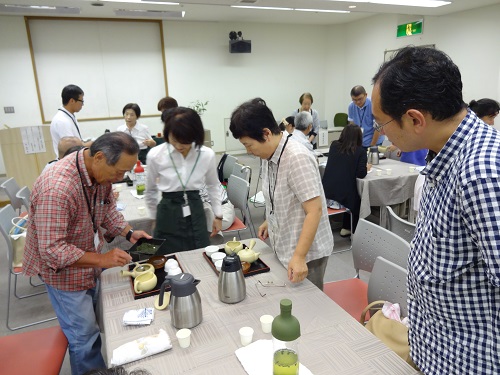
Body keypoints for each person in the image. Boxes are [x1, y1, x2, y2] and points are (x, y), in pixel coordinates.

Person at [371, 46, 500, 374]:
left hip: (468, 360)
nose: (381, 132)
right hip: (436, 346)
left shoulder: (480, 171)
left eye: (382, 123)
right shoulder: (444, 155)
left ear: (414, 119)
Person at [23, 132, 152, 375]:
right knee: (84, 338)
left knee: (92, 325)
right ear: (100, 157)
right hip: (63, 274)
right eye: (118, 172)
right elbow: (52, 250)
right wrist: (102, 259)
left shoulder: (100, 175)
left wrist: (128, 232)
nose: (120, 178)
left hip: (87, 260)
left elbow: (107, 210)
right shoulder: (57, 187)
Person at [230, 98, 333, 290]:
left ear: (266, 134)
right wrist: (270, 220)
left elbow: (314, 211)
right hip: (286, 244)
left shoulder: (297, 158)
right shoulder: (269, 154)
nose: (248, 151)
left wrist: (300, 256)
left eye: (249, 145)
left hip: (307, 254)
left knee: (310, 309)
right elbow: (281, 195)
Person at [145, 107, 222, 252]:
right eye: (175, 140)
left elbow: (213, 185)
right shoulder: (155, 155)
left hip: (195, 207)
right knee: (167, 257)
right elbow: (150, 191)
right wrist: (155, 218)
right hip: (168, 210)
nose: (179, 146)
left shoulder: (206, 154)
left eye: (185, 141)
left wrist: (218, 215)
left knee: (200, 253)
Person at [322, 124, 369, 236]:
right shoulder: (360, 151)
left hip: (326, 195)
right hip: (344, 200)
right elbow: (361, 174)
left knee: (347, 189)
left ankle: (346, 227)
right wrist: (367, 167)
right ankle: (352, 230)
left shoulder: (334, 145)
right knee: (358, 198)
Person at [50, 84, 92, 157]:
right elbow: (71, 147)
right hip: (69, 159)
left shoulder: (69, 116)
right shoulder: (62, 120)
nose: (83, 104)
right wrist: (91, 144)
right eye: (81, 101)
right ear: (72, 101)